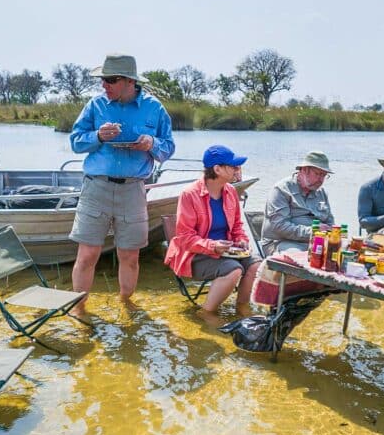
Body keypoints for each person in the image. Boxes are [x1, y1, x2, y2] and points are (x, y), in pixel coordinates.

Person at [69, 53, 175, 316]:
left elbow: (168, 147)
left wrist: (152, 144)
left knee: (130, 256)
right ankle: (79, 310)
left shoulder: (155, 108)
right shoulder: (95, 105)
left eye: (110, 80)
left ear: (129, 81)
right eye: (103, 80)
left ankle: (127, 310)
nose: (104, 85)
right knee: (87, 255)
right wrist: (98, 136)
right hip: (96, 188)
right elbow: (75, 141)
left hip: (133, 190)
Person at [165, 145, 261, 324]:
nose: (237, 170)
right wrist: (212, 246)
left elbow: (238, 226)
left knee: (256, 265)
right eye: (234, 166)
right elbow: (185, 238)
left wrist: (241, 240)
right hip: (194, 255)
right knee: (234, 269)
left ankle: (242, 307)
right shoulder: (190, 194)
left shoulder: (231, 191)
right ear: (217, 169)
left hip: (226, 251)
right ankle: (207, 312)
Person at [260, 151, 335, 256]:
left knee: (345, 253)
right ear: (304, 170)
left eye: (324, 175)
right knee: (297, 257)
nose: (321, 179)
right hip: (281, 242)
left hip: (315, 242)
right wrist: (313, 232)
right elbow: (280, 227)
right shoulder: (282, 190)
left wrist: (334, 235)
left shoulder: (321, 193)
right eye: (318, 174)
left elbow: (330, 223)